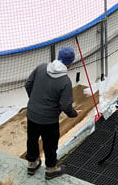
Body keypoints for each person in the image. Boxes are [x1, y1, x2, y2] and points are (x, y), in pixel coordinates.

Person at [25, 47, 79, 180]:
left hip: (32, 114)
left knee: (32, 139)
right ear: (70, 63)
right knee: (50, 143)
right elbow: (66, 105)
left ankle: (32, 163)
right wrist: (74, 114)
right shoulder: (65, 81)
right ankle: (51, 168)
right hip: (49, 120)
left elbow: (28, 84)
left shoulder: (41, 67)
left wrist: (34, 101)